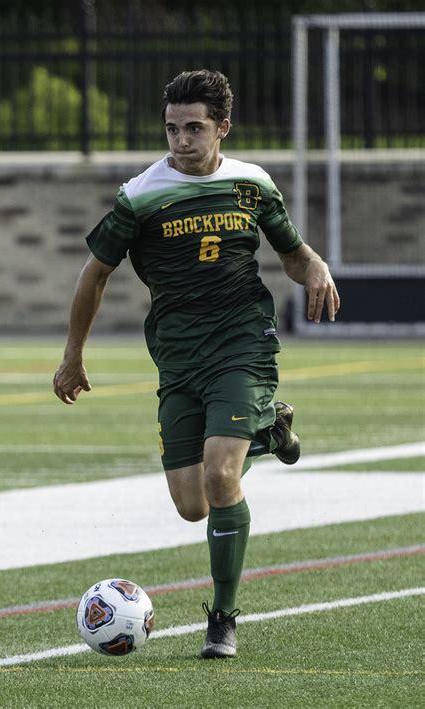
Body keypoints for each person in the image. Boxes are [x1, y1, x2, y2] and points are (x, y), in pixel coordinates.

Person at [53, 69, 340, 659]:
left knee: (219, 475)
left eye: (194, 128)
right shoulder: (139, 195)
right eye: (172, 128)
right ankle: (267, 431)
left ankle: (223, 619)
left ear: (222, 128)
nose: (181, 140)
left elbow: (290, 252)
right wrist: (72, 356)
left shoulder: (253, 185)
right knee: (193, 505)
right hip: (178, 357)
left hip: (243, 345)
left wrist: (314, 267)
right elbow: (95, 274)